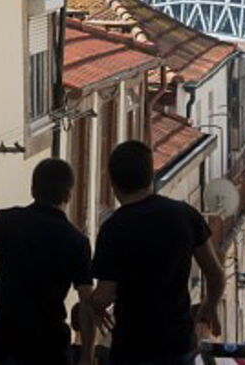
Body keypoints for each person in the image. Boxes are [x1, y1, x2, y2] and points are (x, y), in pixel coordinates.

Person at [91, 141, 225, 365]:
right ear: (150, 176)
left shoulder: (114, 228)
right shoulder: (185, 215)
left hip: (133, 348)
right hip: (178, 345)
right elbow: (216, 275)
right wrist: (208, 307)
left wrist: (93, 306)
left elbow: (104, 295)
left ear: (112, 183)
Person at [0, 158, 97, 365]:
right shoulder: (77, 242)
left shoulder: (8, 220)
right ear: (68, 195)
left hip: (6, 344)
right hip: (49, 348)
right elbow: (87, 303)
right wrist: (87, 356)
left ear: (33, 190)